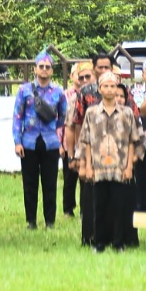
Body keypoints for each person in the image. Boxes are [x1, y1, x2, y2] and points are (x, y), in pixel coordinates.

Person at [76, 71, 141, 253]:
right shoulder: (92, 113)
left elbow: (132, 141)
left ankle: (118, 242)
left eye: (113, 86)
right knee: (99, 206)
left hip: (120, 168)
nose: (110, 89)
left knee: (119, 206)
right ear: (100, 89)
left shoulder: (126, 113)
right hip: (99, 168)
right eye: (106, 86)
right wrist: (87, 166)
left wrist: (129, 166)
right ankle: (99, 242)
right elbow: (87, 141)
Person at [11, 51, 67, 229]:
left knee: (50, 183)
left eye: (47, 67)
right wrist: (17, 142)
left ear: (52, 70)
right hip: (29, 141)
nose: (44, 70)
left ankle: (50, 221)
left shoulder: (58, 92)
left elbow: (63, 118)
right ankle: (31, 221)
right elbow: (17, 117)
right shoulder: (24, 90)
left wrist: (61, 141)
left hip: (51, 142)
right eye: (41, 66)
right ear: (35, 69)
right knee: (30, 183)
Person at [65, 53, 115, 245]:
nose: (103, 70)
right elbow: (77, 124)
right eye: (99, 67)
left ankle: (114, 235)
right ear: (94, 68)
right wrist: (76, 155)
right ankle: (90, 236)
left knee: (113, 194)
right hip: (90, 151)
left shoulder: (119, 89)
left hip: (115, 151)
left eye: (106, 67)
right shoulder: (85, 93)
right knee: (89, 194)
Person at [61, 61, 92, 223]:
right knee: (77, 179)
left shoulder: (105, 94)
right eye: (81, 77)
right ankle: (78, 211)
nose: (85, 80)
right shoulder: (74, 99)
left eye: (88, 76)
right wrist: (71, 154)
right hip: (81, 149)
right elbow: (70, 127)